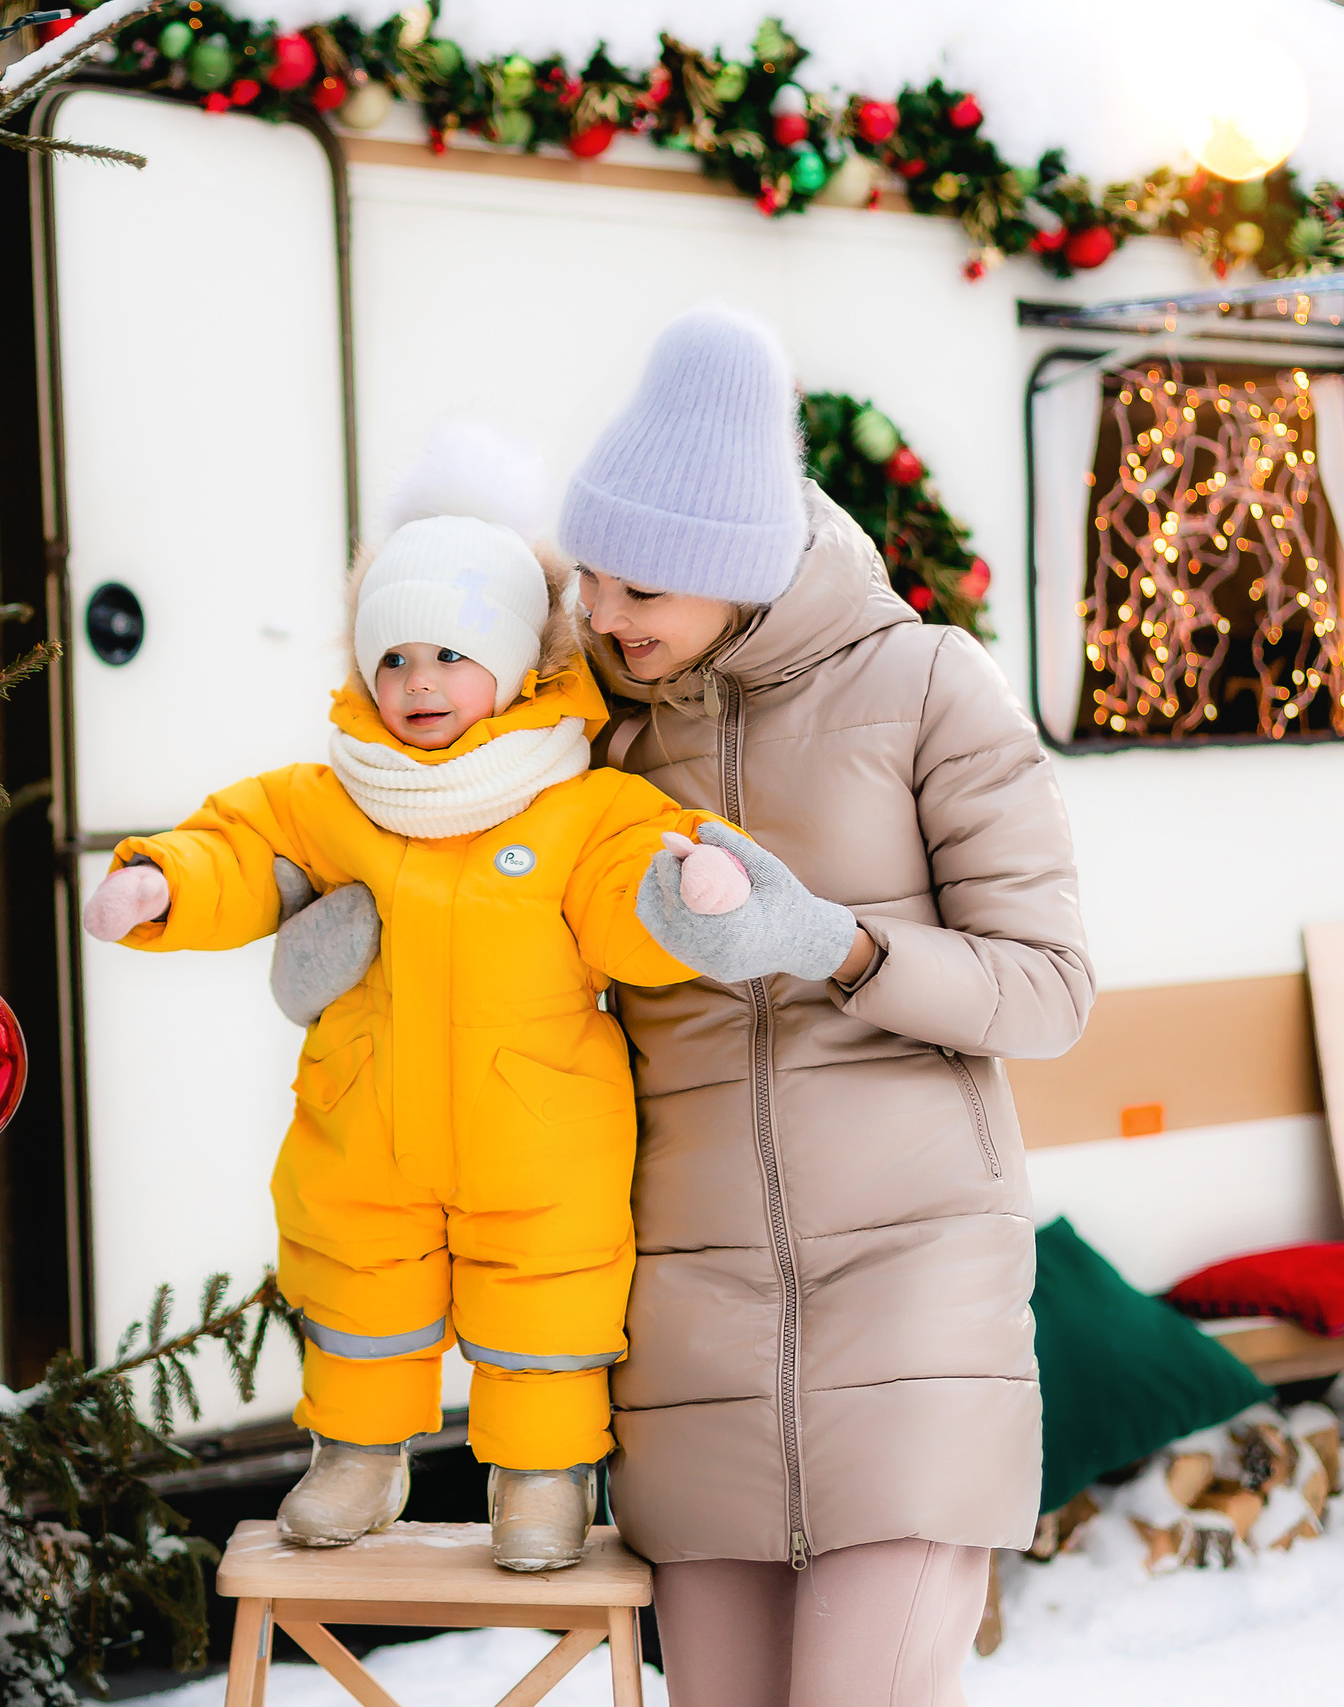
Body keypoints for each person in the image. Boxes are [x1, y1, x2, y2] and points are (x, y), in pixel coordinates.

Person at [278, 311, 1094, 1700]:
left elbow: (1049, 990)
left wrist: (833, 943)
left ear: (734, 568)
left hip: (912, 1293)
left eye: (640, 583)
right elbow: (431, 838)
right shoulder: (584, 725)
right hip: (682, 1300)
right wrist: (329, 923)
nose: (600, 611)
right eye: (591, 573)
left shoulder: (926, 687)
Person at [79, 426, 844, 1572]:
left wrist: (694, 884)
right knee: (355, 1284)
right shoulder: (331, 795)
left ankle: (539, 1479)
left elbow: (626, 899)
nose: (418, 683)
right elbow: (239, 848)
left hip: (534, 1135)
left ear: (513, 661)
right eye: (391, 659)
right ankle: (359, 1456)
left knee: (545, 1308)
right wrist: (161, 883)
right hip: (364, 1124)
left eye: (448, 653)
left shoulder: (573, 806)